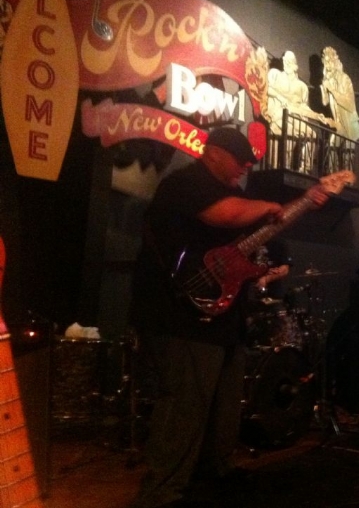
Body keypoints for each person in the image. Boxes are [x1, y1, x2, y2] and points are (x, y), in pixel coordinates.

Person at [129, 126, 329, 508]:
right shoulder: (185, 183)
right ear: (214, 152)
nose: (244, 168)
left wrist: (305, 203)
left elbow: (262, 230)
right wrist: (271, 206)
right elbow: (224, 216)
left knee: (223, 407)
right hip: (180, 315)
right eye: (240, 161)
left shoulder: (233, 192)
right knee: (185, 406)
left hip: (222, 317)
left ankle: (213, 475)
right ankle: (161, 493)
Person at [320, 46, 359, 142]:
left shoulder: (344, 79)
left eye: (330, 62)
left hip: (349, 126)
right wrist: (323, 87)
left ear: (335, 62)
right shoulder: (328, 80)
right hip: (339, 124)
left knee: (346, 153)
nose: (328, 65)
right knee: (332, 152)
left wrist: (331, 89)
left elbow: (350, 105)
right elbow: (325, 102)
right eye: (325, 62)